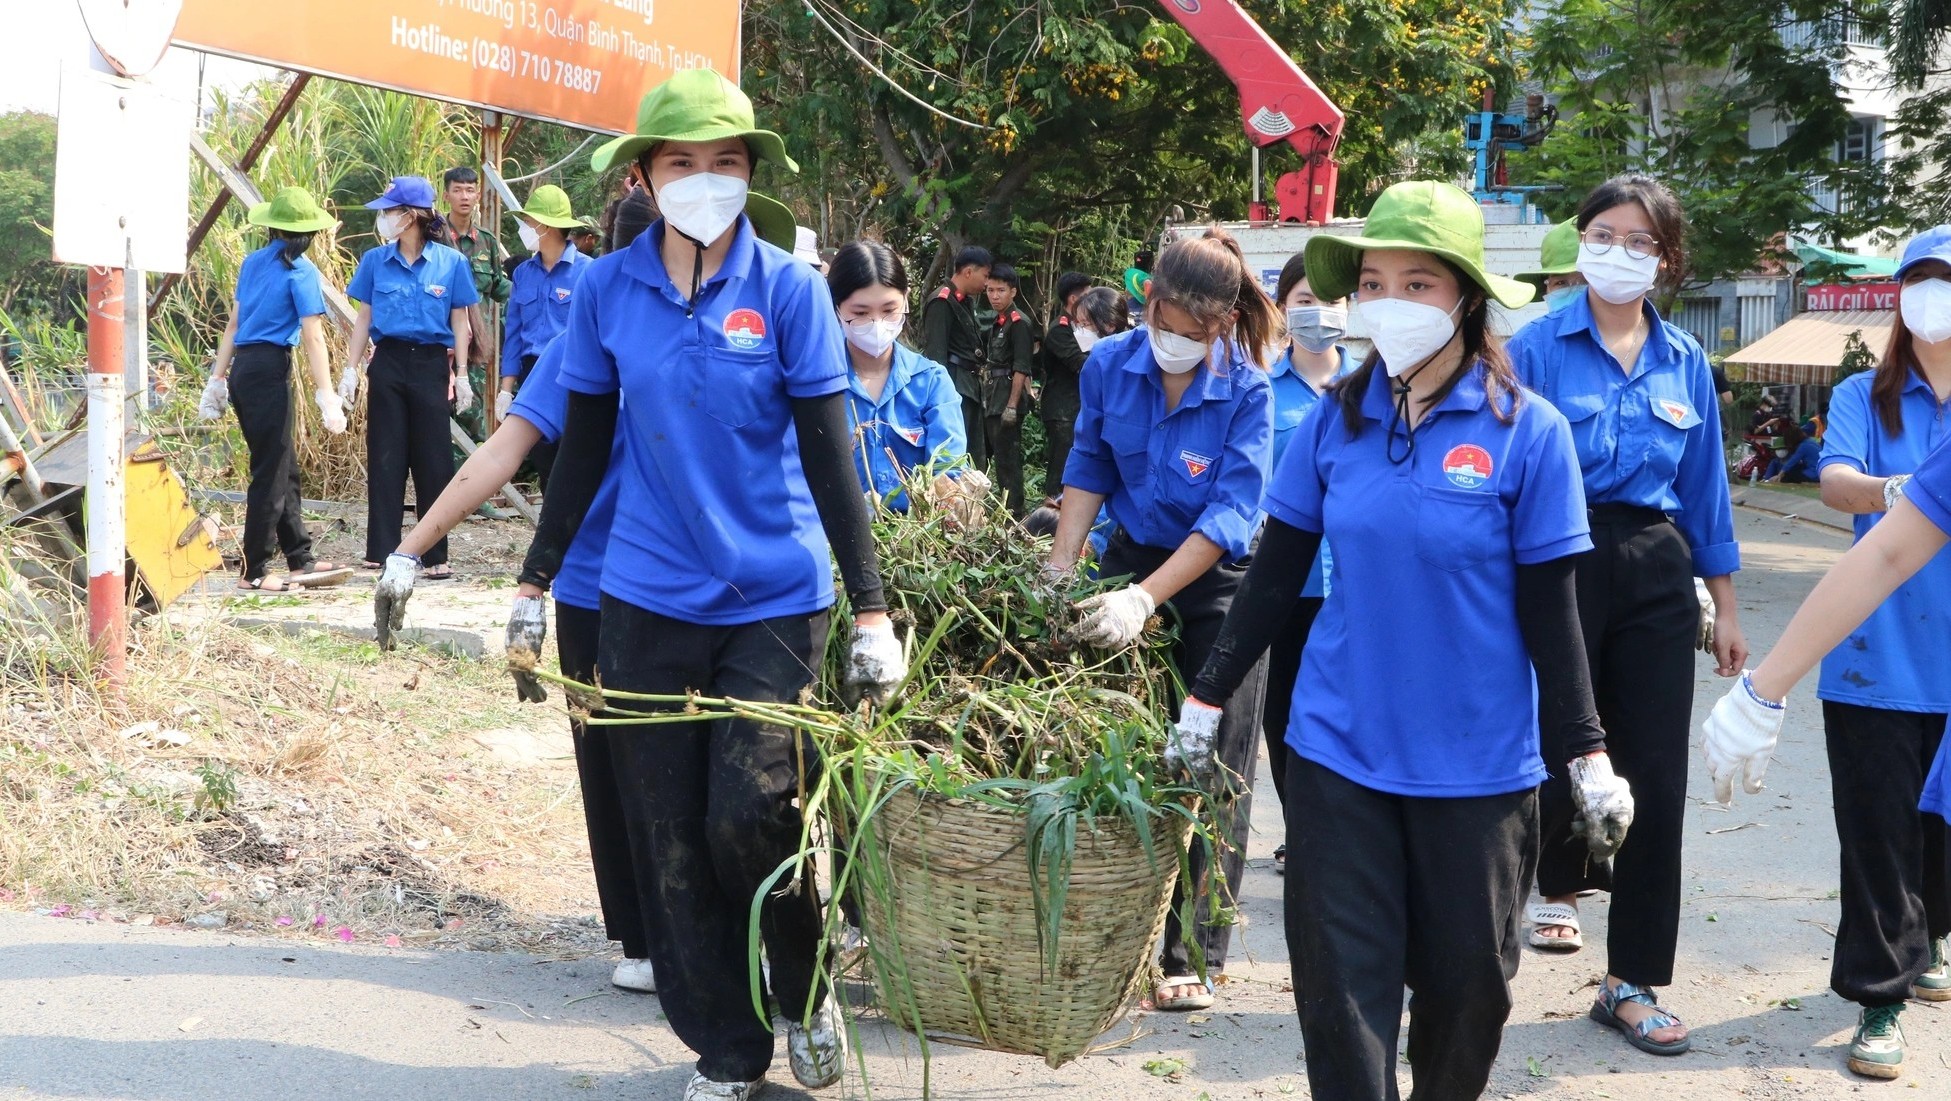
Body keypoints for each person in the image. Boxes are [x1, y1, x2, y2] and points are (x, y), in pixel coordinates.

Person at [1180, 180, 1632, 1101]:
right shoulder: (1336, 423)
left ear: (1465, 296)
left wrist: (1585, 751)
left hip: (1479, 768)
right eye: (1374, 281)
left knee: (1469, 993)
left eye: (1415, 283)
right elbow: (1273, 575)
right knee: (1342, 992)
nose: (1389, 301)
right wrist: (1206, 694)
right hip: (1339, 749)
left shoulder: (1527, 434)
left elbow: (1554, 611)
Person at [511, 69, 904, 1101]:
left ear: (750, 176)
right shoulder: (603, 290)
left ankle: (801, 977)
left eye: (726, 164)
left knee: (754, 813)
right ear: (644, 176)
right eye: (683, 163)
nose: (706, 181)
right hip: (643, 596)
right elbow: (582, 446)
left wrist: (870, 610)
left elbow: (830, 460)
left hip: (774, 596)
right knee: (669, 835)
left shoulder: (784, 291)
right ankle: (727, 1047)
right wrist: (530, 581)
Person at [1505, 174, 1746, 1054]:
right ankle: (1499, 938)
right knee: (1539, 746)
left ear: (1665, 258)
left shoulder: (1682, 358)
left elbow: (1704, 492)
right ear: (1578, 242)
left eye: (1638, 240)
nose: (1617, 250)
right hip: (1550, 560)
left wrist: (1723, 606)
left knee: (1649, 773)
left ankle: (1632, 979)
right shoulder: (1531, 347)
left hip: (1653, 565)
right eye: (1601, 232)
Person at [1703, 225, 1951, 1081]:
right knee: (1878, 835)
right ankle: (1880, 994)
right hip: (1876, 652)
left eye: (1944, 278)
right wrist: (1908, 492)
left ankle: (1931, 939)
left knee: (1937, 833)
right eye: (1917, 278)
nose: (1931, 295)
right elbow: (1852, 502)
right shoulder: (1867, 395)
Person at [1044, 227, 1278, 1013]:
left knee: (1211, 763)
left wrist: (1148, 599)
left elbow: (1230, 515)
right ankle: (1121, 931)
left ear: (1223, 323)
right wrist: (1061, 568)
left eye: (1196, 333)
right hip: (1127, 559)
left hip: (1216, 585)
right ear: (1147, 302)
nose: (1177, 343)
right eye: (1166, 325)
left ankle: (1193, 949)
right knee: (1124, 748)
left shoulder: (1247, 388)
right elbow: (1088, 466)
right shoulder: (1110, 363)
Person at [197, 185, 348, 591]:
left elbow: (233, 324)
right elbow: (313, 335)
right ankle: (255, 569)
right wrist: (326, 393)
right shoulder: (302, 271)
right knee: (270, 469)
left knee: (284, 463)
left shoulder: (252, 262)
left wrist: (218, 376)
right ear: (309, 234)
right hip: (268, 368)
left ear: (272, 228)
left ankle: (299, 556)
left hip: (246, 367)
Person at [1257, 251, 1353, 871]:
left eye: (1331, 300)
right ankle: (1303, 830)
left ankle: (1348, 828)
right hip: (1286, 583)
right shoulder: (1260, 390)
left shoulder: (1377, 385)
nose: (1319, 314)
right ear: (1282, 310)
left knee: (1353, 708)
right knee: (1285, 710)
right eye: (1303, 302)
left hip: (1357, 583)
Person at [338, 176, 479, 577]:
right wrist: (350, 369)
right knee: (386, 455)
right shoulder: (375, 262)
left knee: (433, 459)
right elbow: (364, 318)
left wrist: (462, 374)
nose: (385, 218)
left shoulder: (451, 263)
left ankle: (434, 554)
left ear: (412, 215)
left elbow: (461, 323)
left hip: (431, 364)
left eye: (390, 210)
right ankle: (381, 549)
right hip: (389, 362)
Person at [830, 240, 967, 510]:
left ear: (906, 298)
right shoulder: (817, 383)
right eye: (860, 313)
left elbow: (948, 471)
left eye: (889, 310)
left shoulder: (931, 383)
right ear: (836, 307)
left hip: (915, 540)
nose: (877, 323)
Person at [497, 185, 589, 482]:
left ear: (546, 226)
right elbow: (513, 333)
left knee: (575, 459)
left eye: (528, 222)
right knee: (543, 458)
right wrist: (506, 389)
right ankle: (551, 528)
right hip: (532, 373)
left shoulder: (589, 272)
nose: (525, 228)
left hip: (572, 373)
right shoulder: (523, 273)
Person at [440, 167, 510, 444]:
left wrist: (532, 286)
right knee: (437, 419)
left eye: (470, 190)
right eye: (457, 190)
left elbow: (498, 287)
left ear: (478, 195)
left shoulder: (486, 242)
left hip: (474, 348)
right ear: (446, 195)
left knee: (472, 418)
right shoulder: (434, 238)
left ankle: (468, 483)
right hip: (439, 343)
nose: (464, 196)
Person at [923, 245, 992, 469]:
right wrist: (941, 396)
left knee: (974, 452)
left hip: (969, 385)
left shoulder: (964, 302)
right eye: (985, 275)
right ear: (968, 272)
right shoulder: (942, 301)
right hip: (954, 387)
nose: (987, 283)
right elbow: (936, 355)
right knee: (956, 454)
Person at [982, 262, 1035, 513]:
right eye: (990, 290)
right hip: (994, 396)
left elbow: (1021, 367)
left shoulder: (1018, 322)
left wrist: (1012, 406)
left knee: (1007, 460)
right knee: (997, 457)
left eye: (1000, 290)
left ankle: (1014, 513)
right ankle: (1004, 509)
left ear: (1013, 292)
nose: (994, 296)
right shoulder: (998, 322)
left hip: (1007, 398)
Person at [1038, 271, 1094, 500]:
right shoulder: (1059, 330)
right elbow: (1082, 363)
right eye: (1088, 295)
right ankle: (1049, 515)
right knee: (1060, 466)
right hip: (1061, 410)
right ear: (1073, 299)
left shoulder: (1080, 327)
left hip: (1076, 408)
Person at [1516, 219, 1585, 317]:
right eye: (1560, 283)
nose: (1573, 292)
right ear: (1547, 289)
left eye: (1587, 280)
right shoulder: (1536, 331)